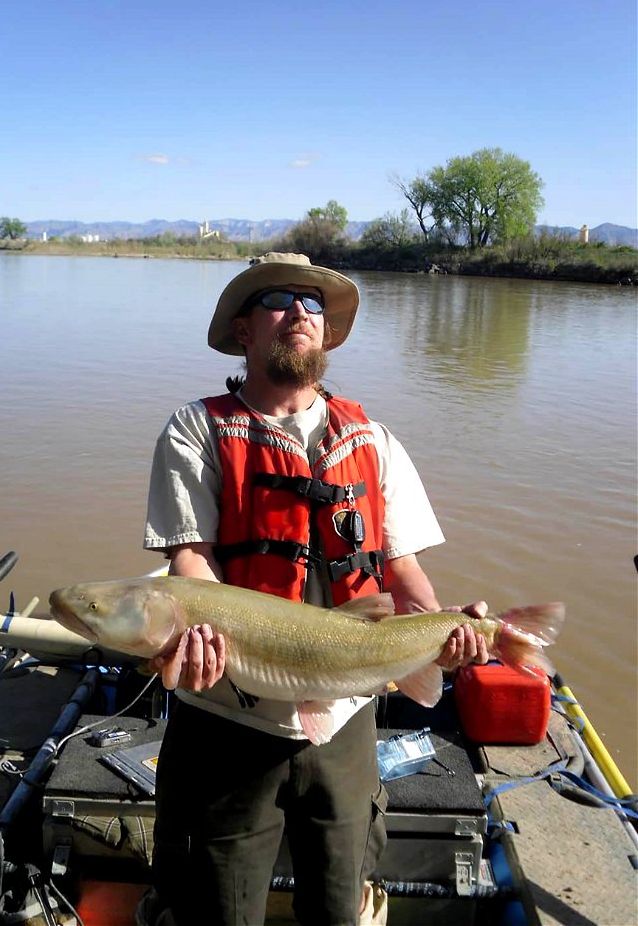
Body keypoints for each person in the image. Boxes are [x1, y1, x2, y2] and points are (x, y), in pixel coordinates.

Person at [141, 252, 488, 926]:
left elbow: (403, 572)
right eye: (279, 298)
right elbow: (191, 562)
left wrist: (444, 632)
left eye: (313, 303)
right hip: (226, 722)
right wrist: (197, 635)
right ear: (244, 330)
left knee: (342, 905)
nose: (300, 312)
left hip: (347, 721)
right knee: (214, 907)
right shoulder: (196, 429)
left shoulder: (374, 439)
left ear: (325, 332)